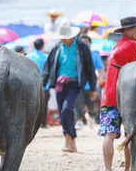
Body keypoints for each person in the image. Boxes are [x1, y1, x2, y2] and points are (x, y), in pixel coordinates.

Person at [98, 17, 136, 171]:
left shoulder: (116, 46)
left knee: (108, 135)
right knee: (129, 135)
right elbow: (134, 72)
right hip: (125, 97)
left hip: (108, 95)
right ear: (127, 31)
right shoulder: (132, 45)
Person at [42, 21, 97, 153]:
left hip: (75, 84)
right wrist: (42, 85)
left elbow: (90, 67)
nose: (62, 38)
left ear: (71, 36)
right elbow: (47, 68)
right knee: (62, 113)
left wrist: (93, 88)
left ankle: (69, 139)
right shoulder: (56, 48)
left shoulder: (82, 47)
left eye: (64, 36)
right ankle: (70, 139)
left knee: (67, 109)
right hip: (60, 85)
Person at [75, 35, 104, 129]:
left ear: (90, 44)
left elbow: (101, 69)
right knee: (78, 104)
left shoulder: (94, 55)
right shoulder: (76, 55)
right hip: (79, 86)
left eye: (86, 42)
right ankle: (79, 121)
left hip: (92, 86)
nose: (84, 44)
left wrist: (99, 79)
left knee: (92, 105)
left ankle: (91, 117)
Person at [27, 38, 50, 128]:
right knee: (43, 105)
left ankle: (31, 124)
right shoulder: (45, 57)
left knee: (31, 105)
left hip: (30, 84)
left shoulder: (28, 56)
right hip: (44, 84)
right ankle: (43, 123)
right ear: (43, 46)